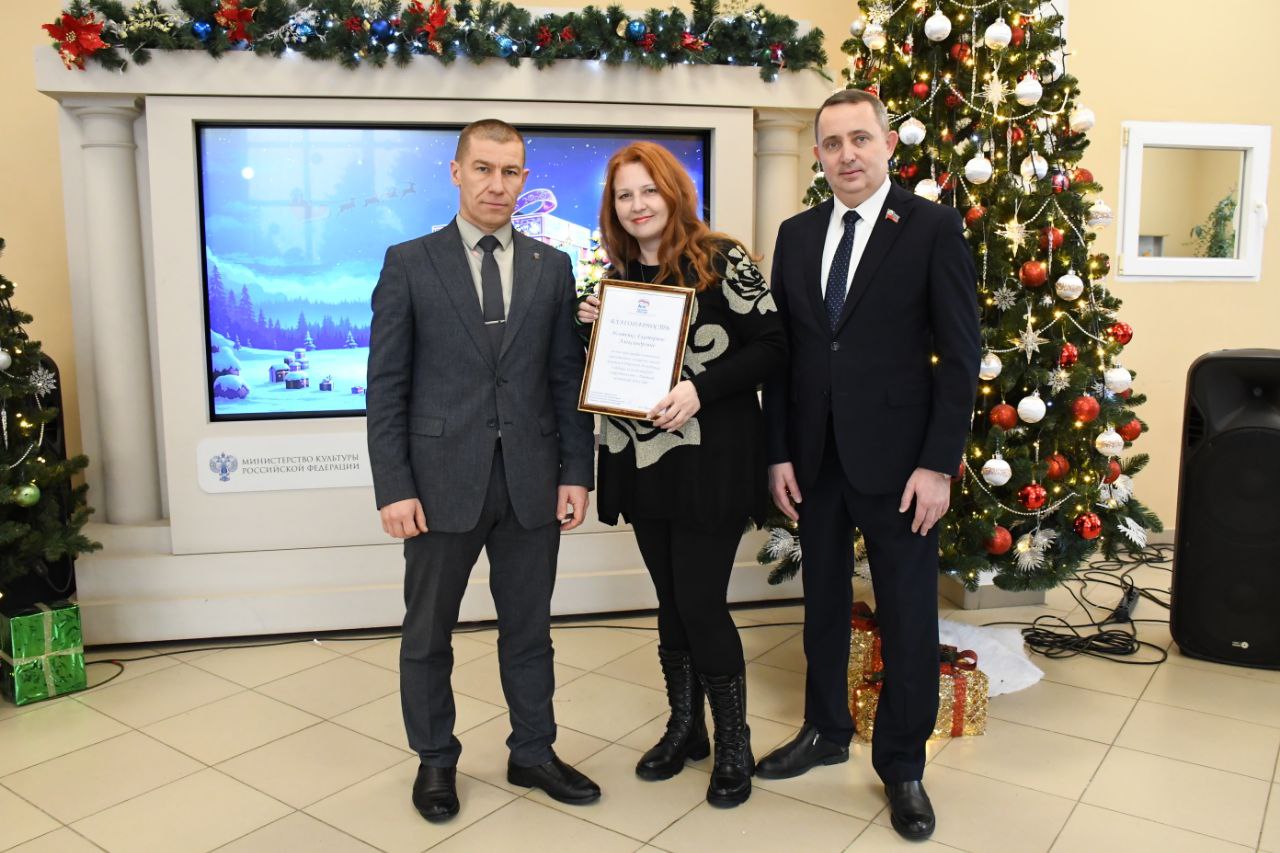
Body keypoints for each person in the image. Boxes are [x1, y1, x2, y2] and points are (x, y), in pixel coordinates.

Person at [758, 90, 980, 841]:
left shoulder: (930, 227)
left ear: (887, 144)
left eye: (860, 138)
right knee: (821, 606)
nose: (846, 154)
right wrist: (779, 451)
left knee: (908, 615)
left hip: (902, 465)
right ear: (817, 156)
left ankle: (903, 763)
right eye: (832, 143)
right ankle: (825, 729)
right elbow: (786, 355)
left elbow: (960, 357)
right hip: (814, 460)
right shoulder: (795, 235)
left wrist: (938, 465)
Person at [366, 119, 600, 824]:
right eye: (484, 168)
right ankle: (435, 759)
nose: (498, 184)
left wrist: (577, 470)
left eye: (511, 171)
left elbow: (565, 379)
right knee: (427, 634)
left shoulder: (551, 267)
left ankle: (533, 751)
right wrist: (394, 486)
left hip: (532, 481)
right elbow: (386, 387)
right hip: (438, 486)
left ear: (524, 178)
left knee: (529, 630)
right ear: (457, 171)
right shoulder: (409, 262)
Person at [576, 141, 786, 807]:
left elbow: (775, 346)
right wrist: (588, 326)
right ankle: (685, 728)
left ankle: (733, 741)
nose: (637, 205)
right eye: (624, 195)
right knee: (671, 602)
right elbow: (610, 374)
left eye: (649, 190)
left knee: (700, 603)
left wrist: (702, 389)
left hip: (710, 462)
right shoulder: (614, 277)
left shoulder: (720, 260)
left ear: (673, 193)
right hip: (643, 465)